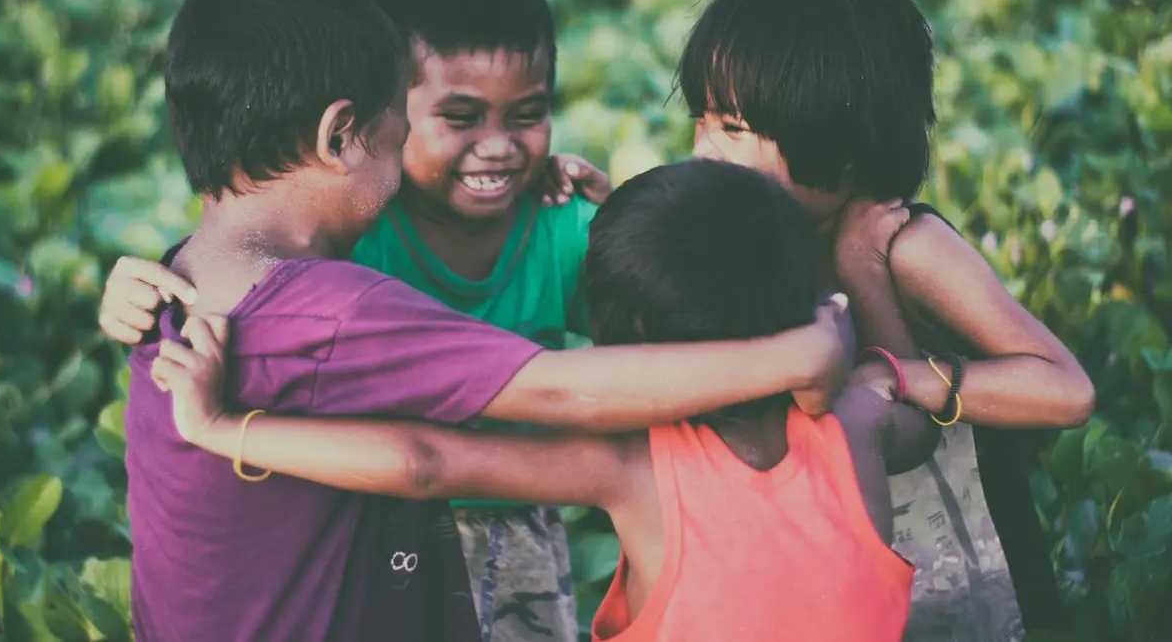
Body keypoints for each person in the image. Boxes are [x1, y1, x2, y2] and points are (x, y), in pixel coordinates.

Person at [124, 0, 850, 640]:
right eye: (397, 125)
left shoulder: (181, 280)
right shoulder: (332, 308)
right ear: (340, 135)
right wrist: (796, 354)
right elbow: (554, 392)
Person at [151, 160, 940, 642]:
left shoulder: (632, 466)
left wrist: (223, 427)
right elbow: (915, 410)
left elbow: (421, 461)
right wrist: (844, 301)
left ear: (627, 354)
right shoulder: (861, 423)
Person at [105, 0, 604, 638]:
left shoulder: (557, 225)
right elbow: (256, 270)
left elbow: (652, 319)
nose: (498, 145)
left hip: (512, 520)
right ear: (374, 119)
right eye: (458, 117)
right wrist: (142, 288)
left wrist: (628, 216)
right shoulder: (351, 232)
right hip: (388, 517)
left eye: (527, 115)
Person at [677, 0, 1095, 640]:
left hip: (973, 580)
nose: (701, 150)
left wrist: (905, 373)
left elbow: (1065, 390)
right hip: (840, 588)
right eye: (699, 118)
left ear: (843, 146)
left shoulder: (911, 247)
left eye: (731, 126)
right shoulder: (753, 240)